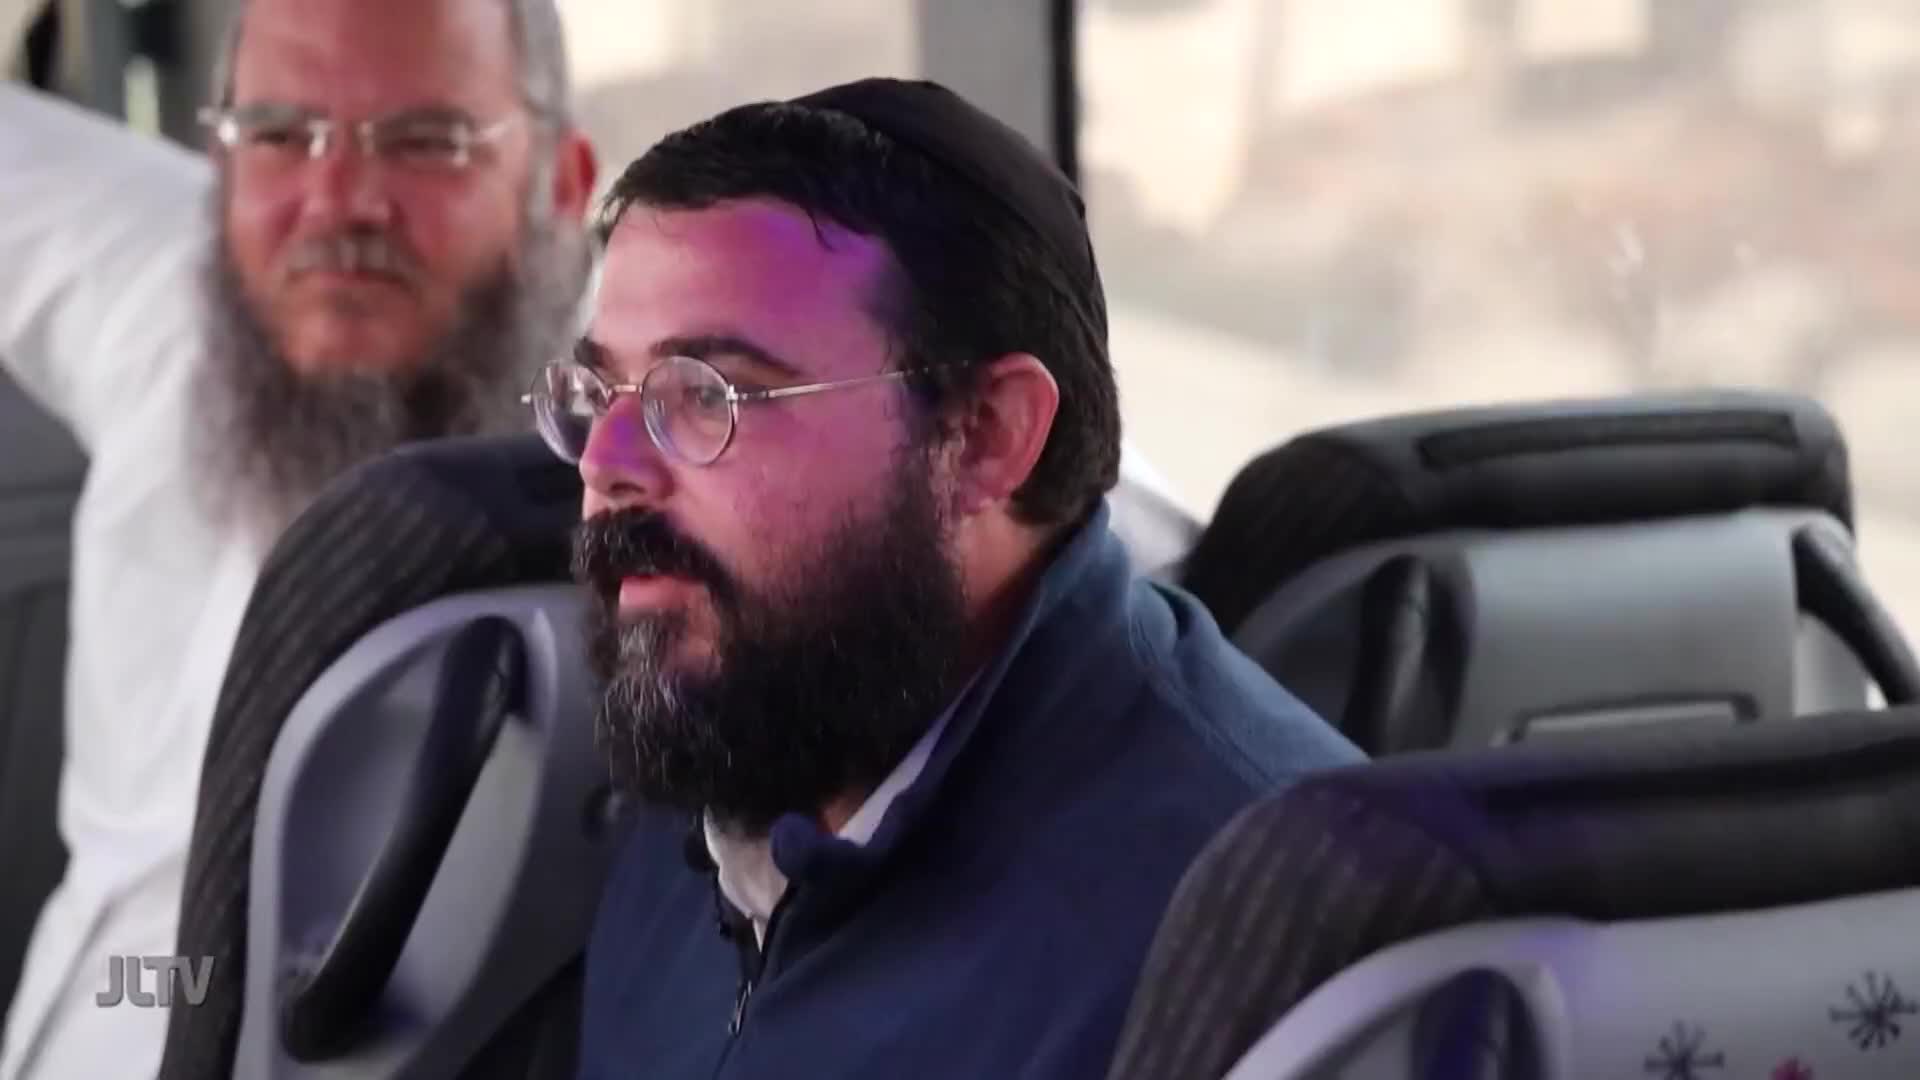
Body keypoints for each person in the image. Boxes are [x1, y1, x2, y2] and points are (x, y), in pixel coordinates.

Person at [533, 77, 1364, 1079]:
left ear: (984, 437)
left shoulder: (1263, 934)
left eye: (708, 395)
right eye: (599, 393)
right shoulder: (726, 750)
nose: (606, 463)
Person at [0, 0, 596, 1075]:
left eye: (426, 141)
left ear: (563, 181)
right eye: (279, 133)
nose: (338, 201)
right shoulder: (169, 294)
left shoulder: (657, 439)